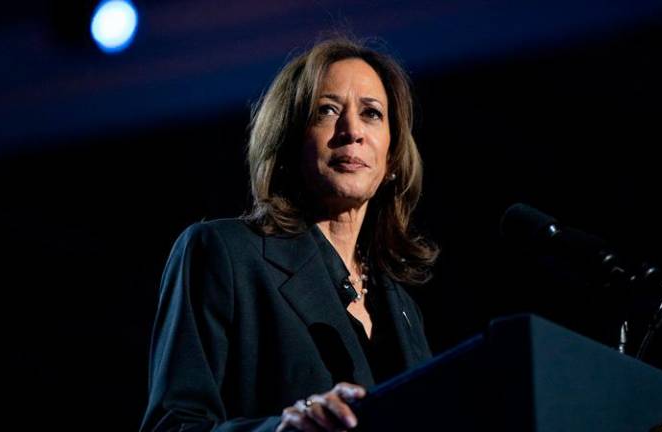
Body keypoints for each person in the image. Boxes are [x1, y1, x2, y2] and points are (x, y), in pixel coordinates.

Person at [139, 37, 439, 432]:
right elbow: (173, 424)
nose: (352, 131)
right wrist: (281, 429)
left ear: (393, 157)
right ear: (289, 138)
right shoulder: (222, 254)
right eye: (327, 110)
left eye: (371, 114)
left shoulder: (401, 308)